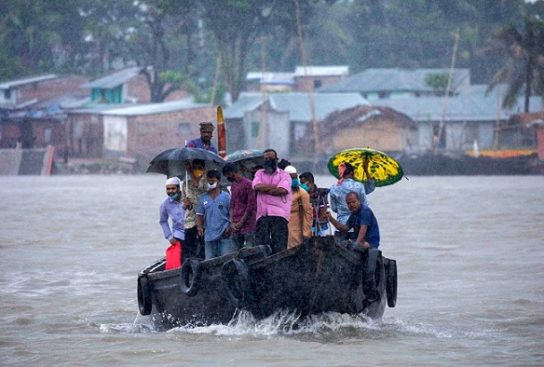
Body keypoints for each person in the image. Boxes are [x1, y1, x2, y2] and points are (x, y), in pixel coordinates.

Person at [252, 149, 292, 253]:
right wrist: (274, 187)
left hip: (279, 215)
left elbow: (282, 190)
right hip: (262, 215)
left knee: (279, 248)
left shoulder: (285, 175)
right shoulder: (259, 173)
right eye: (266, 159)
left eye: (271, 158)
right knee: (261, 248)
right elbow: (256, 186)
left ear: (276, 160)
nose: (268, 160)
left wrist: (264, 189)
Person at [196, 170, 236, 259]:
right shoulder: (203, 198)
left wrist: (230, 224)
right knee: (210, 261)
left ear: (219, 181)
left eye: (212, 181)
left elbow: (231, 211)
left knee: (227, 259)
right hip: (209, 235)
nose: (210, 183)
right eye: (208, 181)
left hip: (225, 233)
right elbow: (199, 215)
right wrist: (199, 227)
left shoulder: (226, 196)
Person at [222, 163, 257, 248]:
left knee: (250, 251)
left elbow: (250, 206)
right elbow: (232, 205)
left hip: (248, 224)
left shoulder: (248, 184)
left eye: (227, 175)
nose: (227, 178)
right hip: (236, 225)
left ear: (232, 173)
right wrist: (232, 222)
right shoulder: (233, 185)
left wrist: (241, 222)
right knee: (236, 254)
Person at [180, 159, 207, 259]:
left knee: (203, 252)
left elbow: (198, 186)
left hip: (205, 222)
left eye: (199, 168)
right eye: (194, 168)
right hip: (190, 222)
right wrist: (186, 204)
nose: (197, 170)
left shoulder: (207, 183)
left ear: (204, 170)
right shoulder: (185, 185)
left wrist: (191, 172)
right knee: (187, 252)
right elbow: (184, 206)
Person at [284, 166, 313, 248]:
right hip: (281, 228)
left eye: (295, 177)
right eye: (292, 178)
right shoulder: (279, 191)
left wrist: (306, 233)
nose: (295, 180)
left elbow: (308, 214)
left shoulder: (302, 193)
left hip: (296, 229)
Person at [160, 177, 185, 262]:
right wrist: (169, 237)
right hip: (178, 235)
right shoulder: (165, 203)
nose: (170, 191)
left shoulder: (187, 198)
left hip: (192, 232)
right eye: (168, 189)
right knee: (181, 260)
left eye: (173, 188)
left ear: (179, 188)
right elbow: (163, 221)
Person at [299, 171, 330, 235]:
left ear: (311, 182)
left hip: (320, 227)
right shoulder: (300, 195)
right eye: (300, 184)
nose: (301, 186)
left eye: (303, 183)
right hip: (306, 226)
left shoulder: (321, 194)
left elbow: (323, 212)